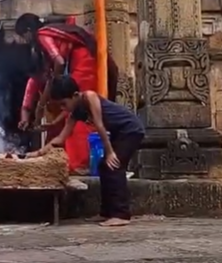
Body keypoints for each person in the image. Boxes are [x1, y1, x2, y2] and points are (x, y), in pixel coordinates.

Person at [29, 74, 144, 227]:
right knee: (103, 167)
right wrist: (37, 153)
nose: (64, 109)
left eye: (64, 104)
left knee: (114, 166)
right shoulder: (76, 111)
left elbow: (100, 125)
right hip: (118, 132)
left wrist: (109, 152)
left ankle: (121, 214)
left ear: (75, 95)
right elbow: (61, 138)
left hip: (131, 129)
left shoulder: (90, 97)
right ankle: (107, 212)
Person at [14, 13, 119, 174]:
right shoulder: (38, 74)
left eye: (23, 36)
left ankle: (77, 165)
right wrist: (30, 118)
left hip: (84, 63)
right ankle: (59, 163)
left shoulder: (43, 35)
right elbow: (28, 103)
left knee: (81, 119)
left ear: (28, 30)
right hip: (63, 111)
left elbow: (60, 62)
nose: (24, 41)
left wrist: (52, 86)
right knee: (62, 130)